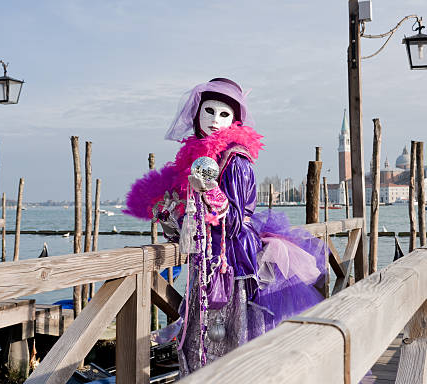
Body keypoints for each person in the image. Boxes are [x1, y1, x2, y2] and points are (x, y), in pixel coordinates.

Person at [124, 78, 327, 375]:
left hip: (230, 265)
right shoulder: (199, 159)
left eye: (224, 114)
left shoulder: (236, 163)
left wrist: (209, 190)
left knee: (228, 342)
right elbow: (193, 224)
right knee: (198, 341)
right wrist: (169, 214)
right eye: (209, 111)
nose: (215, 121)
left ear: (235, 120)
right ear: (196, 114)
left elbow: (232, 222)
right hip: (204, 262)